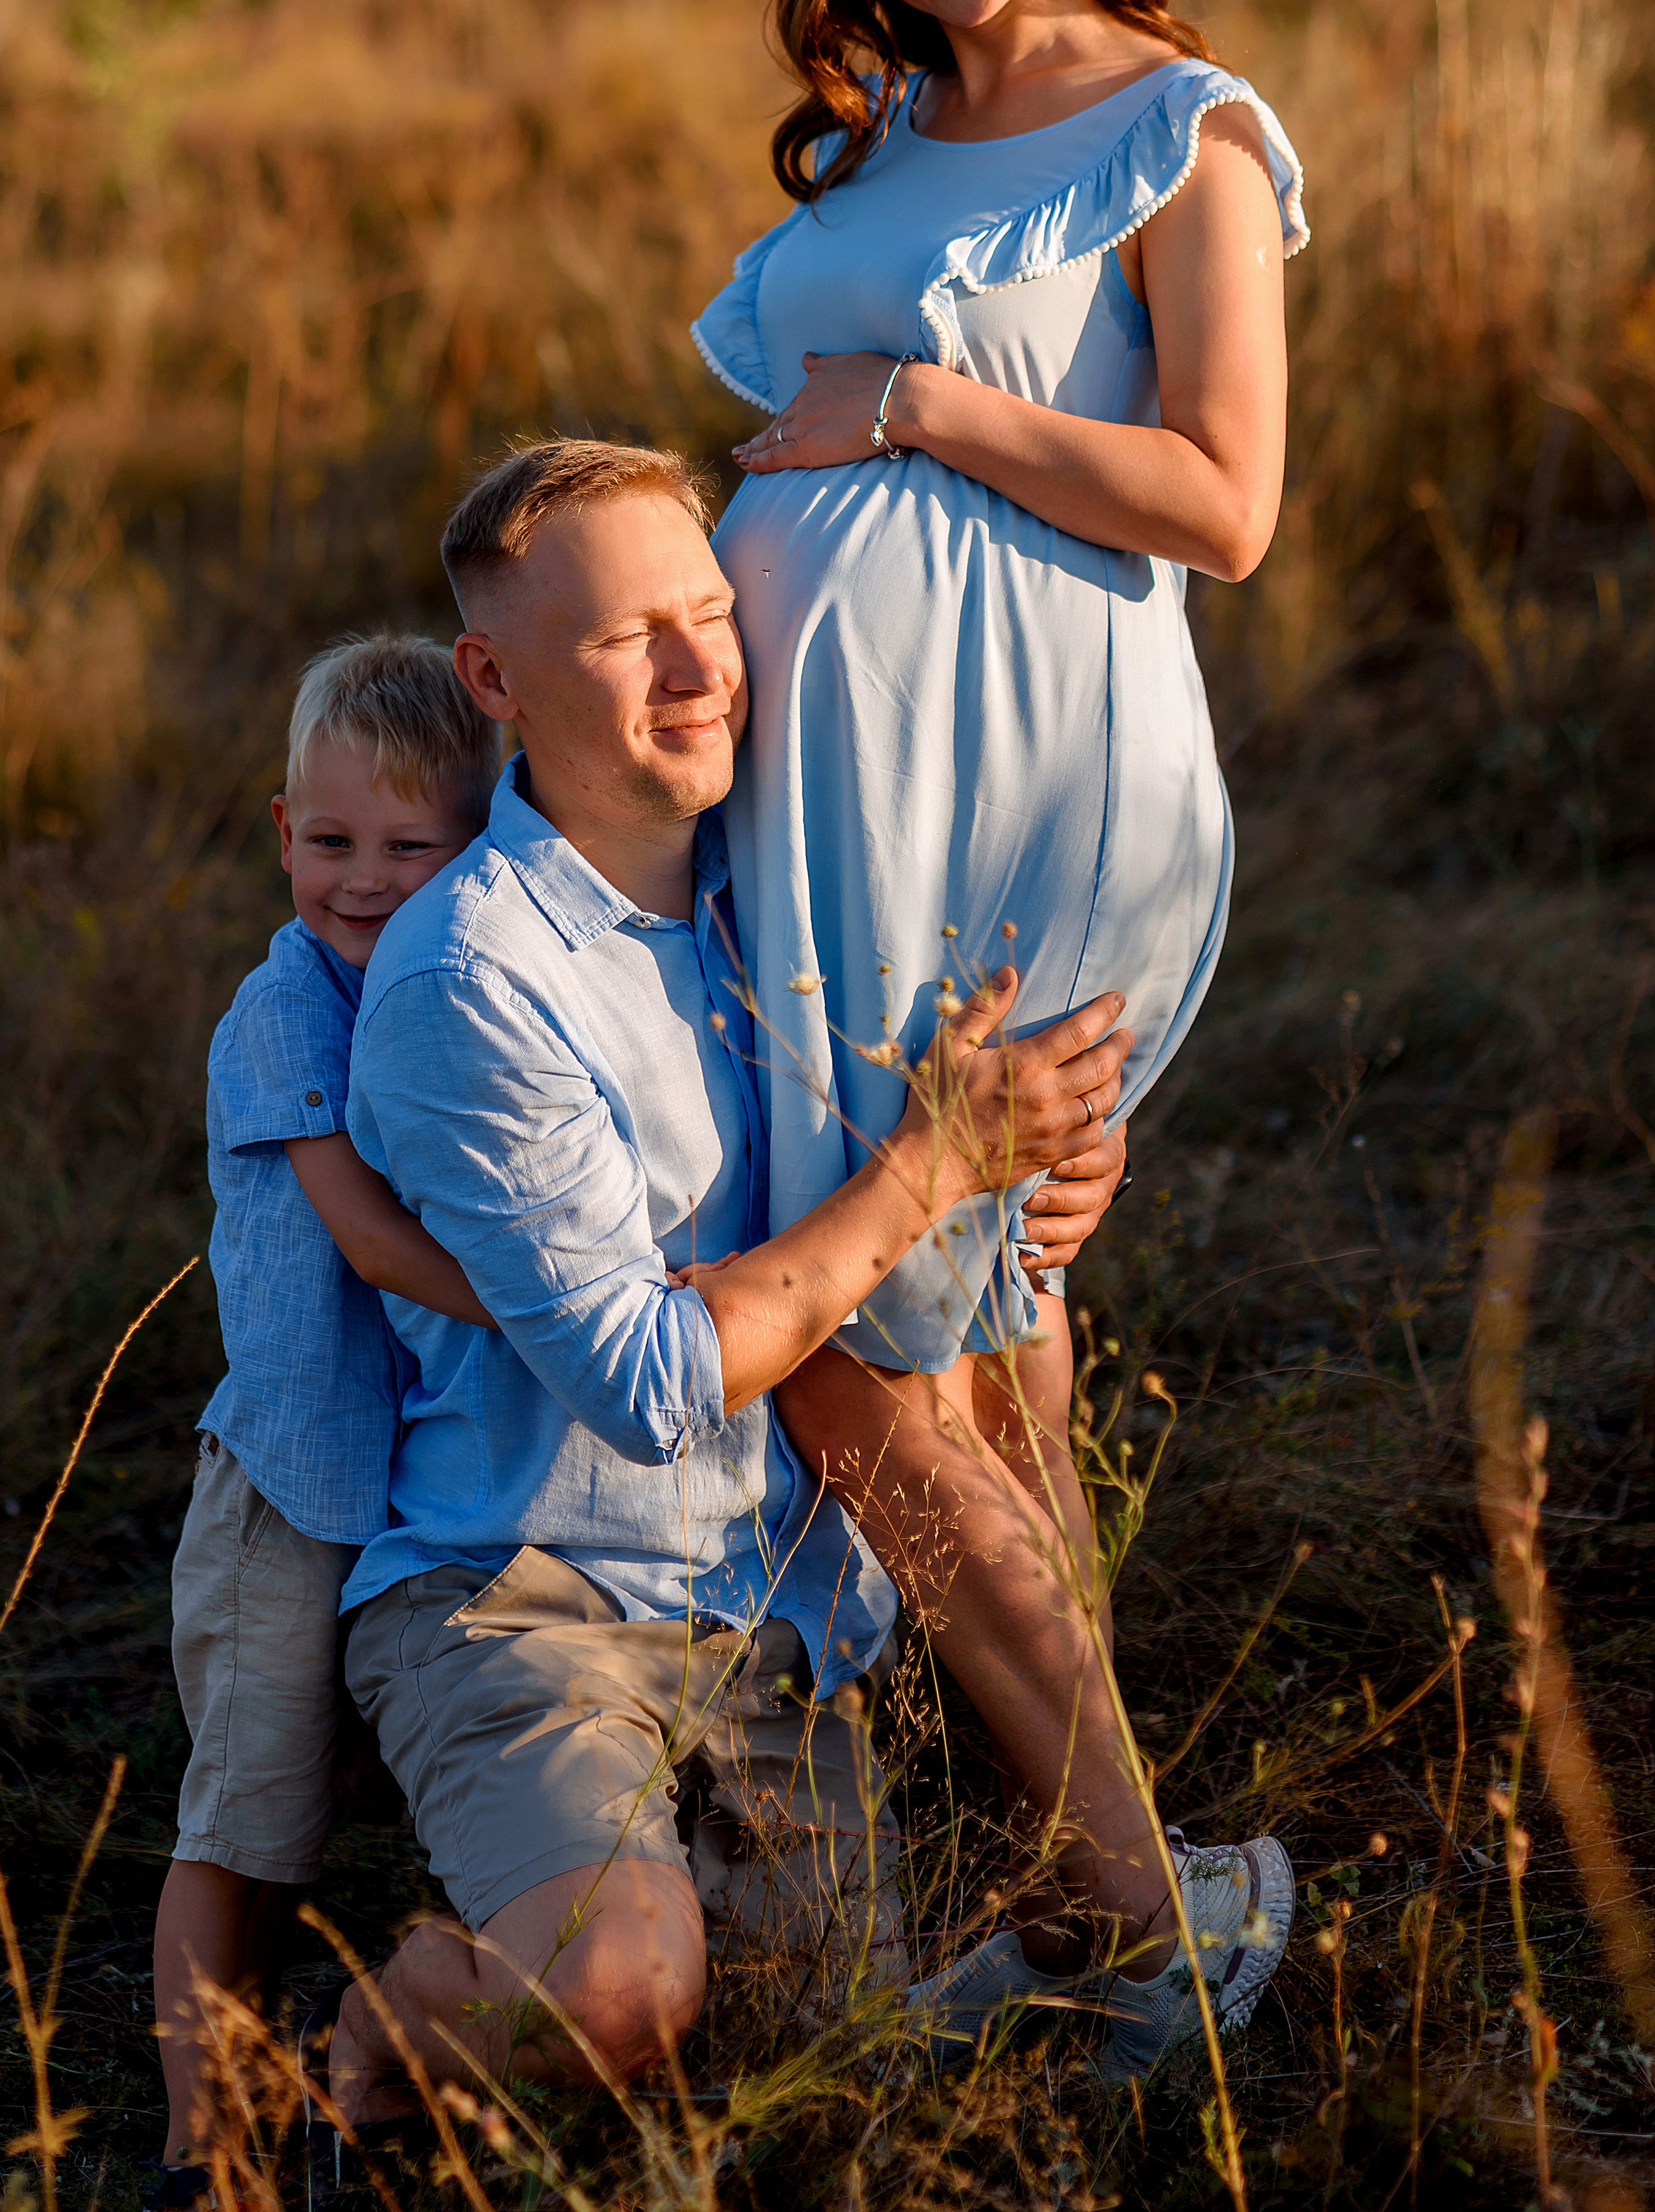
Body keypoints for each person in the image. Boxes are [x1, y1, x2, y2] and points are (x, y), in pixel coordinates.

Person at [689, 0, 1304, 2056]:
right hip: (823, 806)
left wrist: (923, 404)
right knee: (982, 1341)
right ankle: (1087, 1884)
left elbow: (1226, 503)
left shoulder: (1180, 131)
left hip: (1030, 797)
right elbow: (793, 441)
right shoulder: (879, 141)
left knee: (855, 1353)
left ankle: (1144, 1912)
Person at [314, 439, 1134, 2141]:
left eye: (710, 613)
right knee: (619, 1996)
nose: (702, 670)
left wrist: (1056, 1154)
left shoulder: (793, 892)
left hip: (773, 1622)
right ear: (495, 682)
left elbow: (958, 1151)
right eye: (631, 640)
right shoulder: (470, 977)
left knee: (826, 2081)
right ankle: (370, 2040)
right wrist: (936, 1164)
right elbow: (651, 1383)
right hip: (526, 1596)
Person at [145, 637, 500, 2212]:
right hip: (287, 1490)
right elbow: (365, 1238)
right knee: (244, 1825)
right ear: (283, 830)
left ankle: (356, 2070)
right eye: (333, 840)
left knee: (360, 1822)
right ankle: (195, 2145)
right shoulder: (284, 1011)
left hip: (415, 1487)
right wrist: (559, 1309)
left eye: (409, 846)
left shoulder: (461, 990)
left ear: (476, 844)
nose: (363, 880)